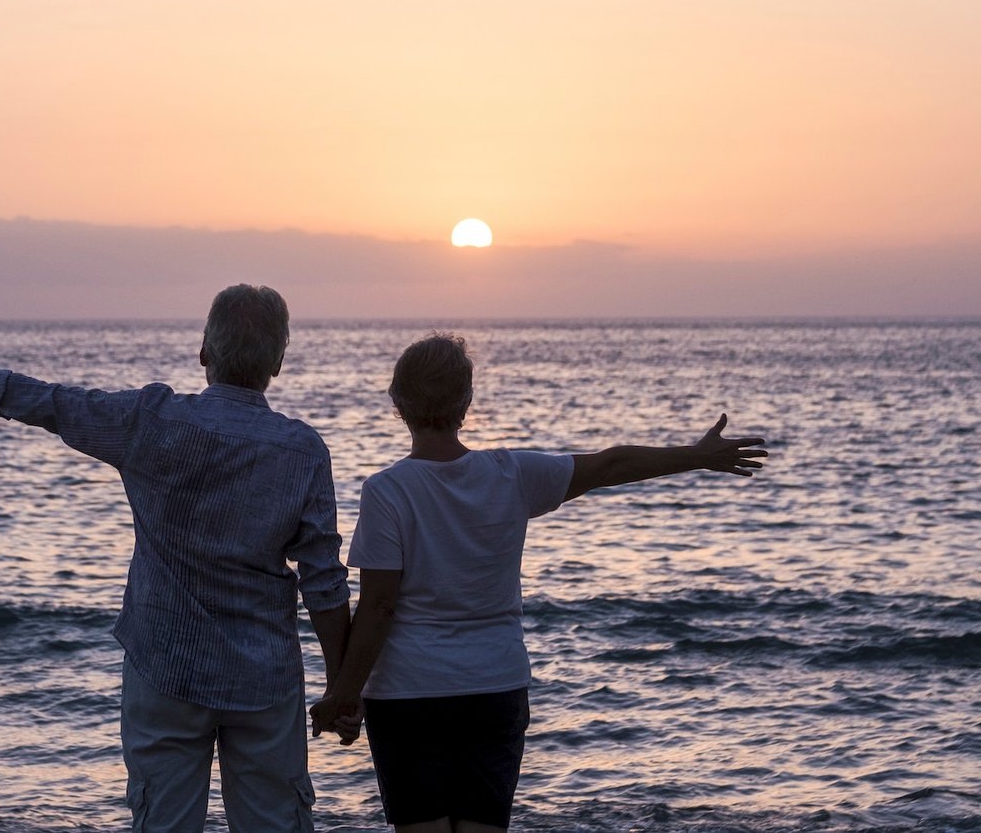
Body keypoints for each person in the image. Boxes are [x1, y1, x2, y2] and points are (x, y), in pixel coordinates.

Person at [0, 285, 352, 833]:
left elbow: (46, 401)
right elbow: (323, 582)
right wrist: (344, 688)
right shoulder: (302, 451)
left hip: (165, 666)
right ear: (279, 361)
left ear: (204, 352)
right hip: (263, 679)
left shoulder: (148, 420)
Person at [309, 333, 768, 833]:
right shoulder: (512, 473)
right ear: (467, 401)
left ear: (398, 403)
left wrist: (344, 693)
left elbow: (378, 607)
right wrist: (697, 456)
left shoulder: (387, 490)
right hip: (496, 687)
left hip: (409, 694)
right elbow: (610, 464)